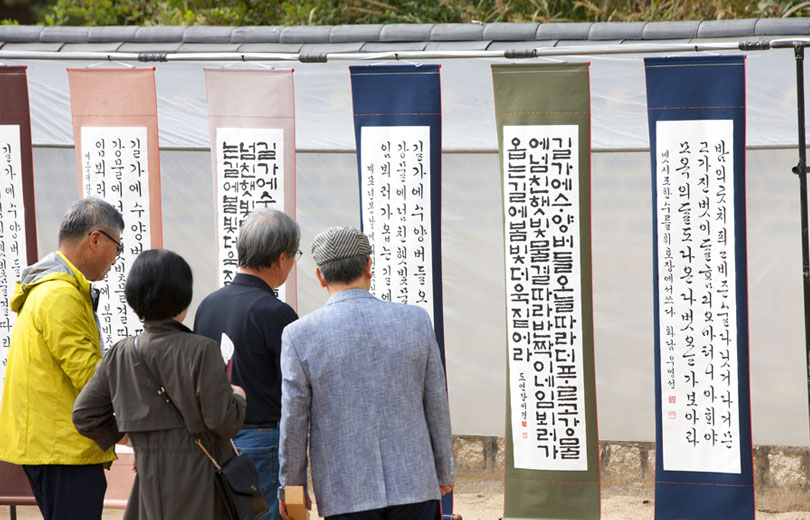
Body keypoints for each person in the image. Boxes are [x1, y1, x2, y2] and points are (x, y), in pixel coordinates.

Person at [278, 226, 455, 520]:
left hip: (345, 490)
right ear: (369, 266)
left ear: (320, 276)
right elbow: (436, 401)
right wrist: (444, 469)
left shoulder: (300, 335)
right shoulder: (415, 321)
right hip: (415, 482)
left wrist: (292, 487)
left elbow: (294, 420)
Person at [72, 248, 247, 520]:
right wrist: (238, 397)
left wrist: (133, 440)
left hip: (149, 481)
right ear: (184, 299)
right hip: (201, 481)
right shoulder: (202, 350)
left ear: (133, 300)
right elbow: (223, 420)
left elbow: (85, 415)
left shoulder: (121, 353)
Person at [0, 198, 124, 519]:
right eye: (117, 247)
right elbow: (88, 375)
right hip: (63, 448)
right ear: (95, 239)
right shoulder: (61, 294)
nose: (115, 260)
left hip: (53, 444)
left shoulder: (52, 288)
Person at [194, 208, 300, 520]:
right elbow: (293, 390)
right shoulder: (276, 313)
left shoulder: (208, 305)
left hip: (214, 440)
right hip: (262, 440)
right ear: (282, 258)